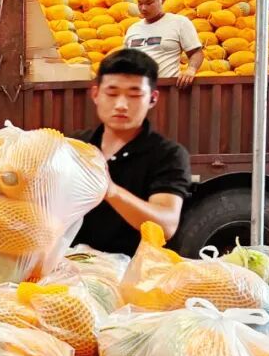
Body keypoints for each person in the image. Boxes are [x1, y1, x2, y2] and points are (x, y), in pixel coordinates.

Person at [73, 48, 192, 256]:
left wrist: (110, 190)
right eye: (112, 94)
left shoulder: (169, 155)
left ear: (153, 98)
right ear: (95, 94)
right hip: (70, 267)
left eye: (134, 95)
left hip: (135, 270)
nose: (121, 105)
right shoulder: (75, 146)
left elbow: (165, 227)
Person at [124, 0, 205, 88]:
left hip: (166, 91)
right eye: (140, 3)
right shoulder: (133, 29)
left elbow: (196, 52)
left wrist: (191, 69)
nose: (143, 8)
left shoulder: (179, 23)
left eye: (149, 3)